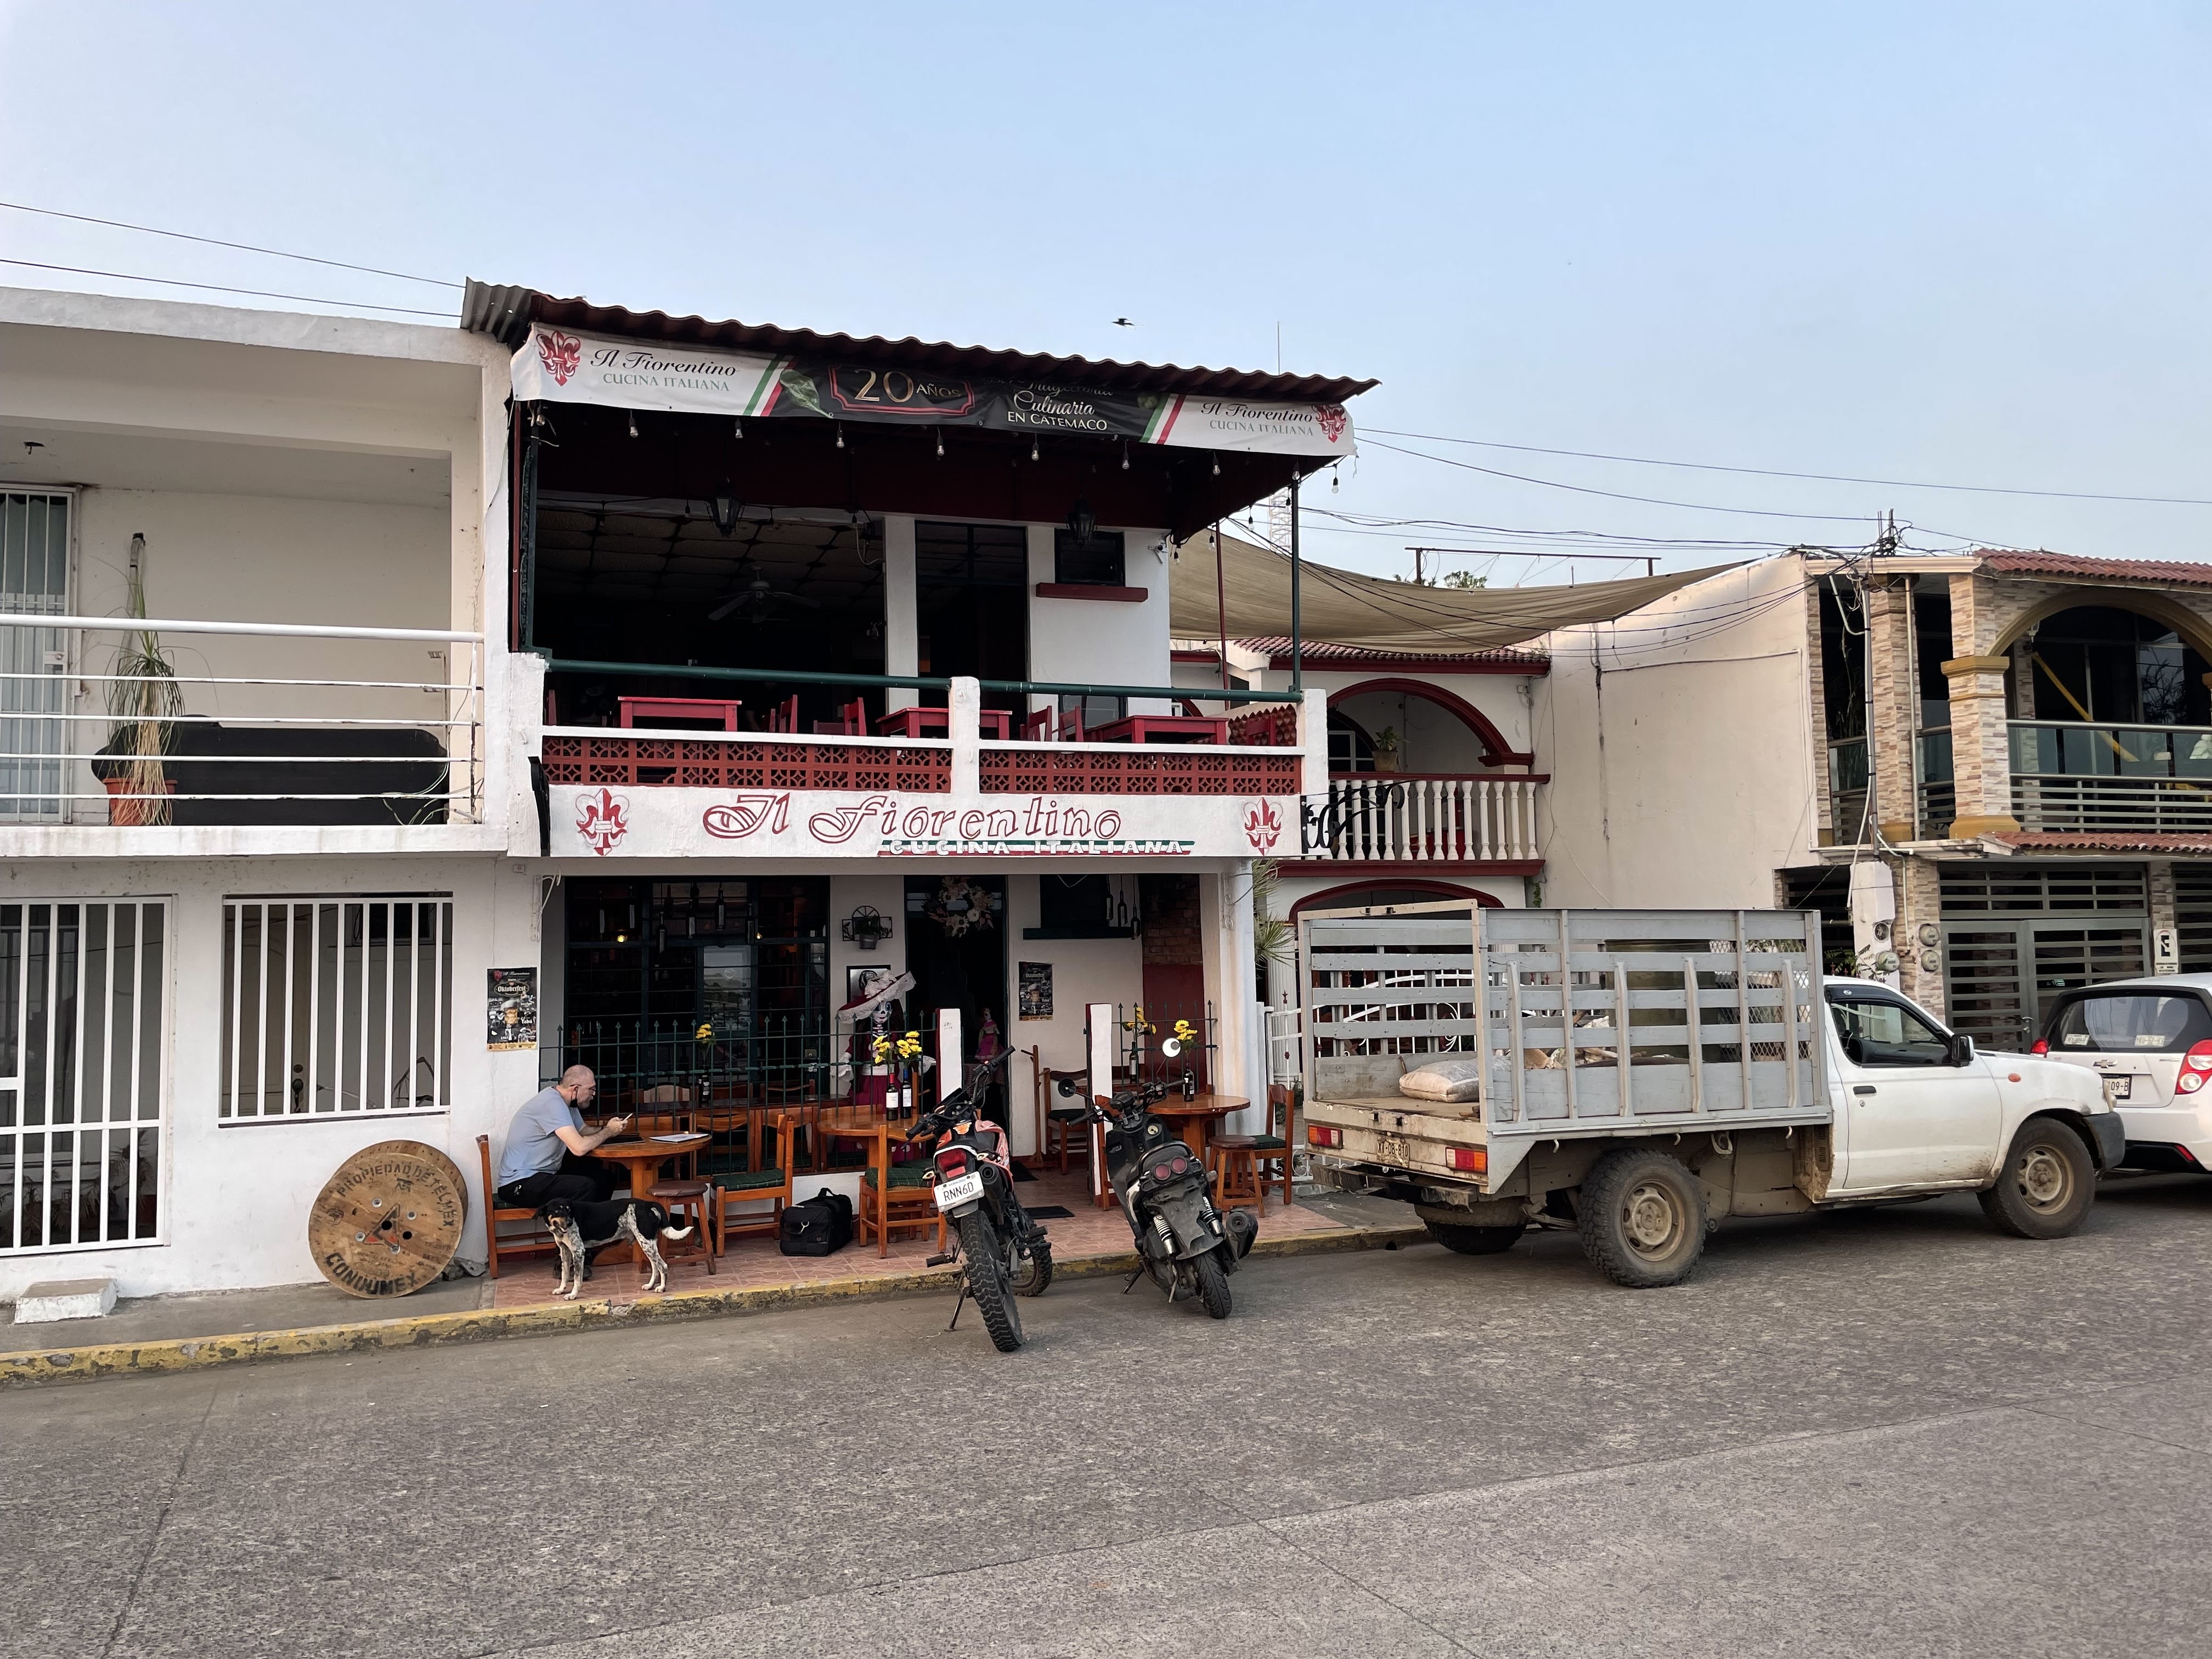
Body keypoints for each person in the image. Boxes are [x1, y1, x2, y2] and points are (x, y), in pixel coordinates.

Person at [494, 1066, 630, 1210]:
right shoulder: (552, 1104)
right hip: (519, 1184)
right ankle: (577, 1230)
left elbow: (583, 1131)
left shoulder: (568, 1104)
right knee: (584, 1187)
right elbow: (579, 1148)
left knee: (604, 1179)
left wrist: (609, 1129)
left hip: (542, 1175)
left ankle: (594, 1228)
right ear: (575, 1089)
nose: (593, 1094)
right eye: (591, 1089)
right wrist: (608, 1132)